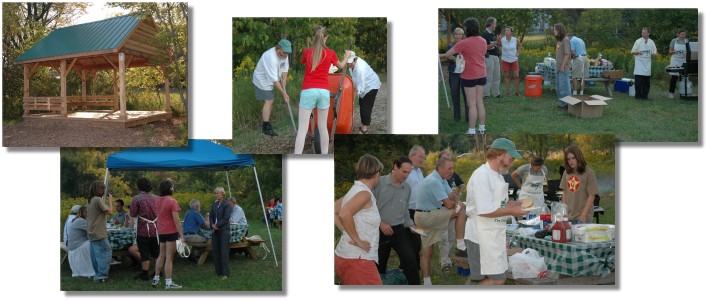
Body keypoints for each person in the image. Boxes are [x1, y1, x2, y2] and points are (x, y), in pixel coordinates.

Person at [465, 138, 527, 285]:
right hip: (480, 236)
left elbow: (499, 203)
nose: (512, 162)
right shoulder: (481, 176)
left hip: (494, 234)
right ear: (500, 155)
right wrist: (513, 211)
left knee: (500, 277)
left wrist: (515, 203)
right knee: (496, 280)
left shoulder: (498, 175)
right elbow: (485, 210)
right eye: (510, 158)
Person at [294, 26, 351, 154]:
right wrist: (347, 56)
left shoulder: (307, 52)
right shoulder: (330, 53)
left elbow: (303, 62)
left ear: (314, 37)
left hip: (308, 90)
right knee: (323, 127)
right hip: (323, 91)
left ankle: (297, 155)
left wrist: (308, 50)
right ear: (326, 37)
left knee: (302, 129)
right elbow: (341, 66)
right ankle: (324, 155)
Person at [415, 157, 467, 285]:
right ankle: (460, 244)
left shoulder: (442, 180)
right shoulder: (434, 181)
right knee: (460, 212)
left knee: (428, 251)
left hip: (424, 215)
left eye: (453, 168)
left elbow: (452, 195)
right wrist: (459, 205)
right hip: (426, 217)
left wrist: (458, 201)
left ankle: (427, 282)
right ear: (440, 168)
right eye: (449, 168)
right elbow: (449, 204)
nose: (452, 171)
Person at [334, 154, 384, 285]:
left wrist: (346, 231)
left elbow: (333, 210)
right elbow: (344, 214)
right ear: (377, 174)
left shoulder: (355, 190)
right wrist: (358, 240)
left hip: (347, 258)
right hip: (358, 261)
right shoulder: (364, 194)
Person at [372, 156, 420, 285]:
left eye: (409, 173)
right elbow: (369, 208)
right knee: (379, 266)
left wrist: (411, 225)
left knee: (411, 262)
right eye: (404, 172)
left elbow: (404, 210)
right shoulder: (378, 183)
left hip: (398, 230)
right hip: (379, 229)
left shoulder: (407, 188)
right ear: (395, 167)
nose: (406, 176)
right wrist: (380, 224)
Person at [445, 17, 487, 135]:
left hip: (469, 75)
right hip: (482, 73)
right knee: (480, 102)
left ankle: (472, 130)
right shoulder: (483, 40)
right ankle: (482, 128)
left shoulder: (464, 43)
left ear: (467, 29)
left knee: (471, 104)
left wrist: (458, 58)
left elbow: (448, 54)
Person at [253, 39, 291, 137]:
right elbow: (274, 80)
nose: (286, 55)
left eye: (287, 52)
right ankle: (265, 127)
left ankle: (266, 124)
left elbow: (285, 68)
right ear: (278, 49)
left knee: (271, 100)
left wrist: (284, 79)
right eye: (284, 52)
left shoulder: (285, 54)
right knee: (269, 100)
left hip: (271, 77)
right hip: (262, 79)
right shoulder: (270, 57)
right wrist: (284, 93)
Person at [152, 179, 184, 289]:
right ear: (170, 189)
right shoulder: (172, 201)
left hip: (161, 231)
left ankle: (156, 279)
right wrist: (181, 235)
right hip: (170, 231)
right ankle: (168, 282)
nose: (174, 188)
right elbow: (176, 220)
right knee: (169, 257)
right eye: (173, 186)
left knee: (161, 255)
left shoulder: (157, 200)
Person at [437, 150, 465, 273]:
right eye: (445, 159)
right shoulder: (436, 179)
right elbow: (446, 200)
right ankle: (444, 262)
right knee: (443, 237)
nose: (449, 162)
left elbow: (460, 186)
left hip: (453, 209)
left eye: (449, 159)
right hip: (442, 209)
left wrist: (459, 197)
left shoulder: (453, 175)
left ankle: (447, 257)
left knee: (452, 235)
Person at [130, 177, 160, 281]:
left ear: (139, 186)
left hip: (143, 230)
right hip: (156, 229)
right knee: (157, 252)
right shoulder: (157, 198)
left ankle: (145, 274)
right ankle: (158, 273)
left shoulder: (136, 198)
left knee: (144, 253)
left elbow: (133, 213)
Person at [560, 146, 599, 224]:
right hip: (569, 215)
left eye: (573, 158)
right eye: (568, 159)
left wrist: (584, 215)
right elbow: (564, 192)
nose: (571, 161)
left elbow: (592, 195)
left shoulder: (589, 173)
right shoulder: (566, 173)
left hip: (583, 215)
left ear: (579, 157)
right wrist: (564, 210)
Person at [86, 181, 113, 283]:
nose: (104, 191)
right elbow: (110, 212)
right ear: (99, 190)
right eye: (103, 189)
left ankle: (98, 275)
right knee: (106, 253)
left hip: (91, 231)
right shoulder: (97, 199)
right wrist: (110, 200)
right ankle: (102, 276)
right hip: (99, 232)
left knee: (96, 255)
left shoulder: (90, 200)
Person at [347, 52, 381, 134]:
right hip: (364, 86)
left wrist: (354, 95)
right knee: (362, 104)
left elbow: (361, 85)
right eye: (348, 63)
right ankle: (363, 124)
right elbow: (355, 80)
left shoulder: (360, 68)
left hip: (371, 86)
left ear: (355, 59)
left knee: (366, 106)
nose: (349, 64)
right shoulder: (351, 66)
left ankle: (365, 129)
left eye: (351, 62)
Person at [441, 27, 469, 122]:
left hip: (465, 72)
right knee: (454, 94)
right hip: (454, 73)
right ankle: (457, 117)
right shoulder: (450, 46)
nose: (457, 36)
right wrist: (457, 59)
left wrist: (458, 58)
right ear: (454, 35)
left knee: (466, 95)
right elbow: (448, 56)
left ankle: (468, 117)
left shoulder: (466, 45)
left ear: (463, 35)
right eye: (456, 34)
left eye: (459, 34)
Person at [405, 145, 425, 264]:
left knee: (417, 241)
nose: (422, 159)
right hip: (407, 211)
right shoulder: (405, 169)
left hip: (419, 211)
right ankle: (409, 266)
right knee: (412, 241)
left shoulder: (418, 171)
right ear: (412, 156)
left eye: (424, 158)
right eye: (420, 157)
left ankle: (414, 266)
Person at [210, 187, 233, 279]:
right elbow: (211, 215)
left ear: (223, 194)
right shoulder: (214, 204)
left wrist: (217, 226)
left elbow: (226, 218)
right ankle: (218, 272)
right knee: (215, 252)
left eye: (217, 193)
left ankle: (225, 274)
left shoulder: (227, 204)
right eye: (215, 193)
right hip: (215, 231)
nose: (216, 195)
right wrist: (212, 225)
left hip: (224, 230)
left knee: (224, 252)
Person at [67, 206, 95, 278]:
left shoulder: (78, 220)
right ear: (85, 213)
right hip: (77, 246)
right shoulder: (81, 221)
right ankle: (101, 265)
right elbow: (93, 231)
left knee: (94, 242)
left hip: (74, 245)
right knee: (96, 244)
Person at [631, 27, 658, 100]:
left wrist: (654, 54)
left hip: (647, 63)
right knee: (638, 81)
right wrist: (638, 52)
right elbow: (632, 52)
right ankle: (638, 96)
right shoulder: (638, 41)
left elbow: (654, 52)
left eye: (644, 32)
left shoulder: (651, 42)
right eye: (642, 32)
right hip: (639, 62)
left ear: (648, 33)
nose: (643, 34)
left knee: (646, 81)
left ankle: (645, 96)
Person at [481, 17, 501, 100]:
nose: (495, 25)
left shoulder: (492, 34)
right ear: (491, 24)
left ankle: (496, 93)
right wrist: (496, 41)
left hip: (496, 57)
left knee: (497, 76)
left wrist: (498, 42)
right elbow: (486, 47)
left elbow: (496, 45)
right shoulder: (485, 34)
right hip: (489, 57)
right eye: (495, 23)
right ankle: (486, 94)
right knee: (488, 76)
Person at [553, 23, 572, 109]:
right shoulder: (559, 41)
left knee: (565, 86)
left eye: (555, 29)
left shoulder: (566, 39)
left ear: (560, 30)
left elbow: (567, 54)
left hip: (563, 67)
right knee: (559, 86)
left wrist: (562, 66)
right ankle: (562, 103)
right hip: (558, 67)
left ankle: (567, 104)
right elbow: (558, 52)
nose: (554, 31)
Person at [500, 26, 521, 96]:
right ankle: (508, 93)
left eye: (508, 30)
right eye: (506, 30)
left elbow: (519, 46)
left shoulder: (515, 39)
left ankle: (517, 92)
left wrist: (518, 52)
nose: (507, 32)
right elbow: (498, 45)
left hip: (514, 59)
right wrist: (501, 51)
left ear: (511, 32)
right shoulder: (502, 40)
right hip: (505, 59)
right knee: (507, 76)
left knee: (516, 75)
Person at [668, 28, 688, 99]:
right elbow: (670, 51)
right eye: (682, 34)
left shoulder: (687, 41)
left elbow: (689, 51)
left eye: (684, 34)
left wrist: (687, 54)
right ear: (678, 34)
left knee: (683, 77)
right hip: (675, 60)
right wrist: (674, 52)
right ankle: (671, 93)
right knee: (674, 77)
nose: (683, 35)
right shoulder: (674, 41)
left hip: (683, 60)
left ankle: (683, 93)